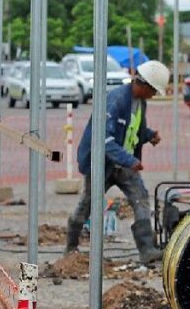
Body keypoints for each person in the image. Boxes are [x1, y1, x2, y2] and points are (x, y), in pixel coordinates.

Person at [65, 60, 170, 264]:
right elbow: (105, 139)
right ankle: (71, 247)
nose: (154, 95)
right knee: (87, 203)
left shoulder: (140, 102)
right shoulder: (116, 100)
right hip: (102, 164)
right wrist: (129, 159)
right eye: (154, 90)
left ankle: (147, 249)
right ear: (143, 85)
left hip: (124, 165)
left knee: (140, 198)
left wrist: (148, 135)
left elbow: (132, 128)